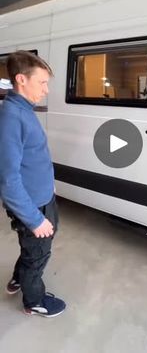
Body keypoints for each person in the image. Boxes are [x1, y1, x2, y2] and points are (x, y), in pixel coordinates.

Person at [0, 50, 66, 318]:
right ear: (21, 80)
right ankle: (34, 301)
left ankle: (17, 279)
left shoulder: (23, 109)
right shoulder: (11, 118)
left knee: (31, 249)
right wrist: (35, 220)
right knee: (37, 255)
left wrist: (48, 186)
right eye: (42, 82)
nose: (46, 89)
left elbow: (32, 158)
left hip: (41, 197)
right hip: (33, 205)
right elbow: (8, 180)